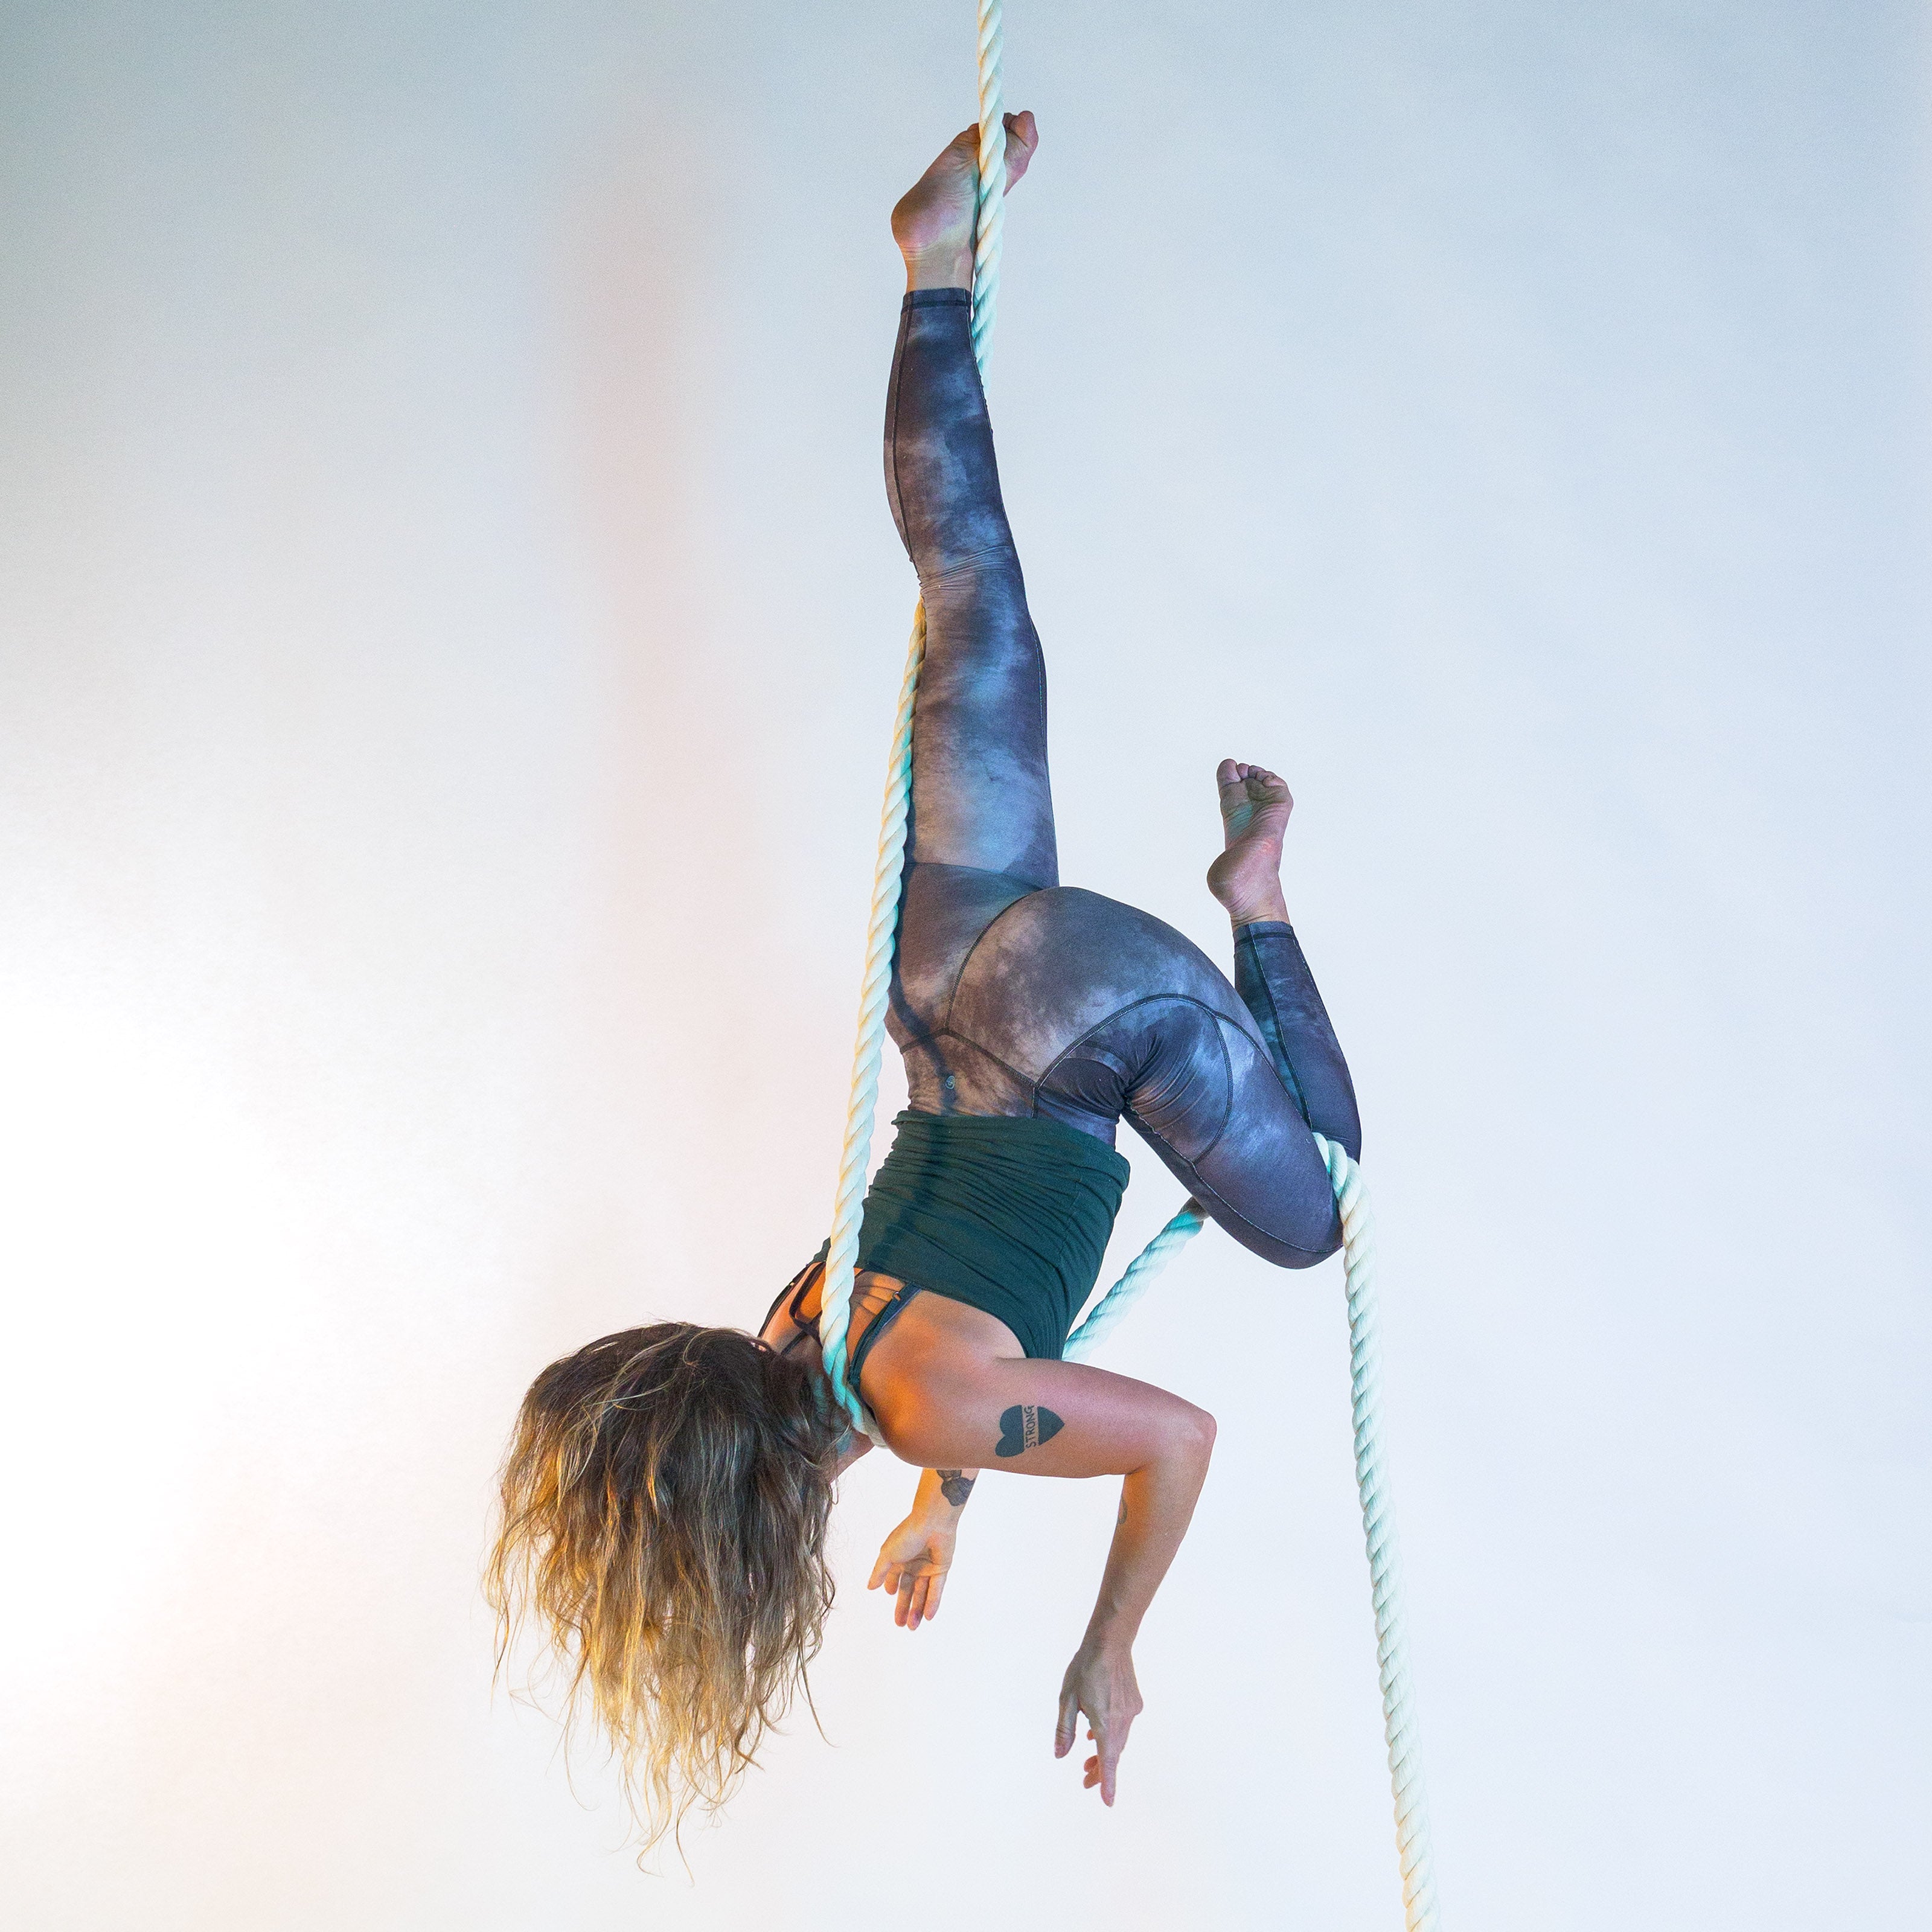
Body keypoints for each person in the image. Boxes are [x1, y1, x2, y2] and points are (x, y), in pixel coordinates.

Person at [488, 113, 1361, 1843]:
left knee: (1321, 1202)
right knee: (975, 603)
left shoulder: (920, 1402)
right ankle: (935, 270)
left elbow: (1175, 1434)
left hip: (1088, 1024)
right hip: (951, 989)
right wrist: (949, 1505)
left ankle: (1256, 904)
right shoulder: (797, 1343)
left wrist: (1109, 1650)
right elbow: (939, 1351)